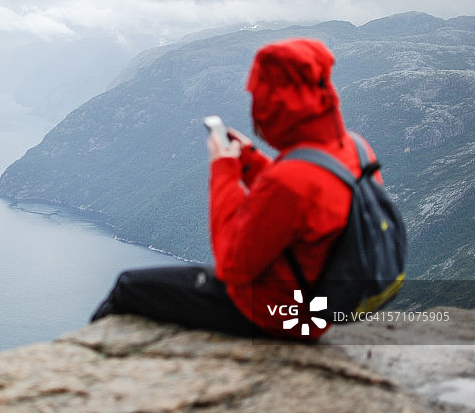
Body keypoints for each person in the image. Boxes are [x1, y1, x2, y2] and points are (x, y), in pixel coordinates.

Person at [91, 38, 381, 340]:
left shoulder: (291, 178)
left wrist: (224, 167)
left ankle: (89, 367)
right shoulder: (357, 150)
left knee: (128, 285)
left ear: (276, 103)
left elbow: (232, 265)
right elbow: (309, 202)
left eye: (258, 96)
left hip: (270, 312)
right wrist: (252, 161)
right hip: (318, 307)